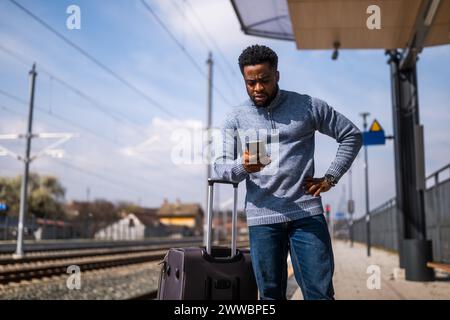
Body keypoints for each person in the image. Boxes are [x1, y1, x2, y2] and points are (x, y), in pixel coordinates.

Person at [213, 44, 362, 300]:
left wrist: (330, 177)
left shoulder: (307, 106)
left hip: (306, 213)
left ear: (277, 76)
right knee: (270, 296)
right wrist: (243, 167)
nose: (258, 88)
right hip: (263, 218)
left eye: (264, 80)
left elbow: (351, 135)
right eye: (250, 83)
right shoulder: (234, 118)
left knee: (320, 294)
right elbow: (219, 166)